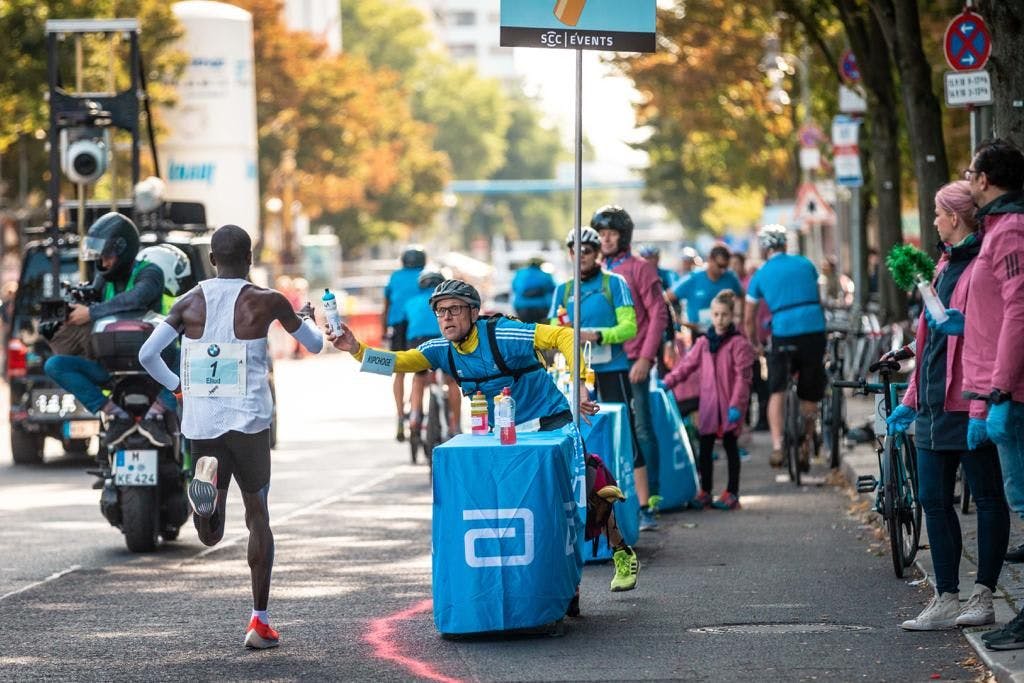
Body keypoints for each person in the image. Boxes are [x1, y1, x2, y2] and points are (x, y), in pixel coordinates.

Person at [327, 278, 640, 594]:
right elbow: (400, 362)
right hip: (505, 435)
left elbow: (564, 335)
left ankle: (621, 551)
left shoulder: (503, 334)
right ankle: (556, 587)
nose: (446, 317)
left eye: (454, 309)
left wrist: (580, 384)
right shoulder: (442, 350)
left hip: (550, 423)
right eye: (440, 312)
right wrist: (356, 349)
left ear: (474, 312)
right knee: (523, 507)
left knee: (581, 495)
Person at [137, 225, 323, 649]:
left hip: (203, 423)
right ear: (250, 259)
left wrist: (179, 387)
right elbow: (313, 345)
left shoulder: (188, 302)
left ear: (212, 260)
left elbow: (147, 354)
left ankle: (204, 509)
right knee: (258, 516)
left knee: (211, 535)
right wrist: (309, 318)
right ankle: (260, 622)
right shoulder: (268, 300)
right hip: (250, 423)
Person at [888, 180, 1008, 631]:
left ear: (954, 217)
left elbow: (988, 340)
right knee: (932, 499)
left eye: (938, 213)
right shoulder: (942, 265)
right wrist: (912, 397)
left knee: (987, 497)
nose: (934, 221)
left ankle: (984, 595)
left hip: (969, 401)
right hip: (934, 402)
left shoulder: (982, 264)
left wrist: (981, 407)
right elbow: (930, 339)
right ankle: (946, 597)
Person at [933, 140, 1024, 650]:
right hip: (998, 386)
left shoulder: (1008, 232)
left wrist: (1000, 390)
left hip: (1008, 389)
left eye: (971, 173)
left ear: (985, 179)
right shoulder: (1000, 228)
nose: (968, 180)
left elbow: (1018, 310)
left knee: (1020, 499)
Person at [44, 212, 176, 446]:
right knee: (55, 365)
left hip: (153, 367)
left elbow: (136, 298)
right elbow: (91, 299)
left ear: (123, 250)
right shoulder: (103, 277)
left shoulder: (150, 272)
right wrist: (64, 318)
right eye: (100, 257)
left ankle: (156, 413)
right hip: (110, 367)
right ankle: (115, 415)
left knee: (187, 363)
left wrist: (91, 313)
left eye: (107, 257)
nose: (103, 263)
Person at [593, 205, 669, 531]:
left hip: (634, 362)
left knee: (641, 429)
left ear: (623, 236)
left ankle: (651, 500)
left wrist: (646, 358)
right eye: (601, 234)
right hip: (601, 364)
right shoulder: (594, 271)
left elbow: (659, 315)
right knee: (610, 431)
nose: (605, 239)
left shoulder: (641, 268)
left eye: (611, 234)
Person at [743, 224, 826, 470]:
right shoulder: (806, 264)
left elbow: (749, 319)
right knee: (810, 391)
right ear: (785, 244)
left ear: (764, 249)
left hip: (783, 333)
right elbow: (817, 297)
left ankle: (778, 446)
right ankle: (806, 443)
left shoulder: (760, 275)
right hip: (813, 330)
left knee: (777, 389)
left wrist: (755, 344)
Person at [550, 227, 639, 453]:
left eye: (587, 250)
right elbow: (552, 331)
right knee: (582, 434)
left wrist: (597, 335)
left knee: (625, 434)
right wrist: (566, 334)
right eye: (575, 250)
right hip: (577, 374)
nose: (580, 255)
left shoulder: (614, 283)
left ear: (598, 253)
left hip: (613, 369)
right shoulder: (563, 289)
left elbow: (629, 327)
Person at [662, 291, 753, 510]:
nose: (720, 319)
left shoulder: (738, 344)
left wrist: (736, 405)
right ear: (711, 315)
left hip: (730, 404)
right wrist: (667, 382)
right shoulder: (704, 343)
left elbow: (743, 378)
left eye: (724, 314)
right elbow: (686, 366)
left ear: (732, 316)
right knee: (705, 447)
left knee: (730, 446)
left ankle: (732, 493)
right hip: (710, 405)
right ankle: (705, 491)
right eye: (716, 314)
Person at [403, 270, 462, 449]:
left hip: (417, 341)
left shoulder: (410, 302)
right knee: (451, 381)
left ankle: (414, 417)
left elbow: (407, 324)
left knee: (419, 379)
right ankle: (456, 425)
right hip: (442, 340)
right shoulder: (445, 302)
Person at [383, 246, 426, 443]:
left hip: (398, 325)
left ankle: (400, 415)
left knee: (399, 370)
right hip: (419, 325)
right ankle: (416, 408)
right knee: (421, 371)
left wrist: (384, 329)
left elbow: (386, 305)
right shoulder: (426, 275)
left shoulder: (395, 277)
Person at [667, 244, 744, 334]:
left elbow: (742, 296)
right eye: (719, 266)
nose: (722, 270)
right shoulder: (694, 278)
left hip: (725, 332)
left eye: (725, 267)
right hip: (699, 333)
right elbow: (667, 297)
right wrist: (678, 320)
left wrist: (739, 316)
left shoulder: (731, 278)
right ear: (710, 260)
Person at [512, 256, 556, 324]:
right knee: (541, 327)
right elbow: (553, 289)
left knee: (526, 326)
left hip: (522, 307)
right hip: (541, 306)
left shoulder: (519, 274)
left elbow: (514, 288)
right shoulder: (545, 275)